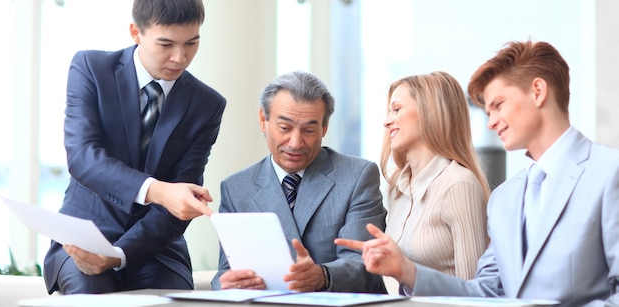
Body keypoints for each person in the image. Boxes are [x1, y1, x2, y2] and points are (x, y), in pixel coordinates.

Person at [336, 40, 619, 306]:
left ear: (537, 91)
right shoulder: (504, 199)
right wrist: (408, 272)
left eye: (498, 105)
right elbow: (484, 292)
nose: (491, 123)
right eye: (487, 112)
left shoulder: (609, 173)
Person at [43, 0, 226, 294]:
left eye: (192, 43)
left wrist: (120, 254)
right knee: (91, 298)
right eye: (166, 44)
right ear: (135, 32)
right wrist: (159, 191)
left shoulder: (208, 104)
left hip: (156, 248)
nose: (180, 57)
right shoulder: (91, 68)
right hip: (85, 237)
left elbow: (178, 204)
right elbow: (83, 158)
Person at [210, 71, 387, 293]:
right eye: (285, 128)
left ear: (324, 128)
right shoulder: (236, 188)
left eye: (309, 130)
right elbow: (226, 270)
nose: (295, 143)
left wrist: (322, 276)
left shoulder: (358, 176)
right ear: (263, 121)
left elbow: (365, 263)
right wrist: (226, 283)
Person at [380, 72, 490, 281]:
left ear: (429, 112)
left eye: (396, 109)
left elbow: (475, 291)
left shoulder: (459, 185)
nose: (387, 121)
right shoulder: (397, 187)